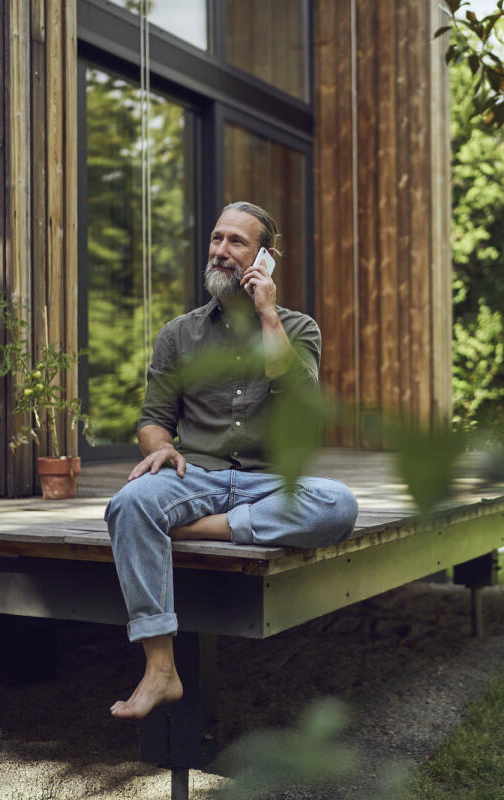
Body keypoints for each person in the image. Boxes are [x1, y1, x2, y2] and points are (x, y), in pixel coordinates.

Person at [104, 201, 359, 720]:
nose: (221, 251)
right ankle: (160, 668)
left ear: (265, 256)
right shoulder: (179, 334)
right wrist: (162, 448)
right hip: (193, 474)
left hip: (268, 483)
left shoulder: (298, 328)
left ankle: (199, 529)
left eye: (236, 242)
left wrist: (267, 313)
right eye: (217, 239)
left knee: (339, 504)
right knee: (129, 504)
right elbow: (152, 419)